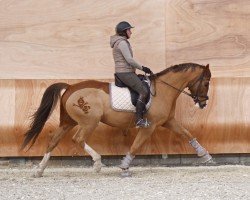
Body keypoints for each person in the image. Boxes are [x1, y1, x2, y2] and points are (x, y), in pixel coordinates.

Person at [110, 21, 153, 128]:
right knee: (143, 90)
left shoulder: (120, 41)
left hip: (125, 72)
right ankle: (139, 120)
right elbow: (129, 60)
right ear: (124, 32)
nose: (131, 32)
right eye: (129, 30)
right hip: (125, 73)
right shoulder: (122, 43)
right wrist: (143, 68)